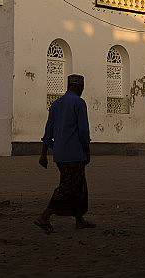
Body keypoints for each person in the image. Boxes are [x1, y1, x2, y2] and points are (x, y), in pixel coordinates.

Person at [35, 74, 94, 233]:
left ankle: (79, 220)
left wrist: (43, 155)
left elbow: (48, 131)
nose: (82, 90)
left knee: (77, 187)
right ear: (77, 87)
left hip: (59, 154)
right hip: (74, 153)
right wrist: (87, 149)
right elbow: (83, 130)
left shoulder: (55, 104)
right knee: (68, 188)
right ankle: (44, 216)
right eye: (81, 87)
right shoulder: (79, 103)